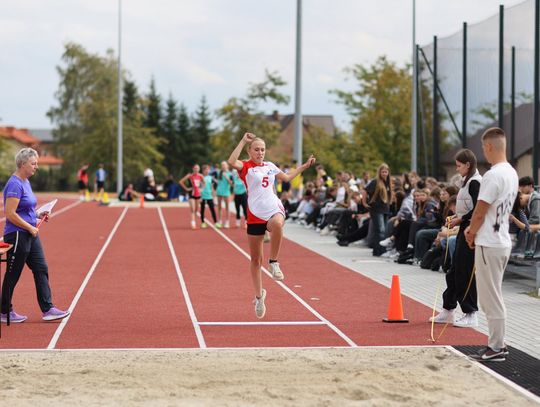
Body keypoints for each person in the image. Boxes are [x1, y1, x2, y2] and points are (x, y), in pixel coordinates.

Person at [228, 132, 315, 319]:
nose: (260, 153)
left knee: (277, 223)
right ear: (250, 151)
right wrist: (243, 141)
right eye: (257, 150)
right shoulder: (246, 167)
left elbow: (287, 178)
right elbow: (231, 161)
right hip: (254, 214)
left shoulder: (270, 166)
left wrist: (304, 167)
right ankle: (259, 297)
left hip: (272, 208)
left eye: (262, 150)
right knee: (255, 260)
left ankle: (274, 262)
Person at [465, 127, 518, 362]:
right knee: (493, 295)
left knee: (490, 298)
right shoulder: (512, 173)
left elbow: (480, 211)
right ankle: (497, 343)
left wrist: (470, 232)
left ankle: (497, 346)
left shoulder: (493, 175)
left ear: (488, 147)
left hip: (489, 241)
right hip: (501, 240)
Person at [0, 148, 70, 323]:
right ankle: (4, 311)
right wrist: (29, 228)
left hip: (30, 233)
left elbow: (26, 209)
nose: (36, 167)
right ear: (23, 164)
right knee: (13, 273)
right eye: (33, 163)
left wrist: (38, 215)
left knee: (41, 268)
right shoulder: (14, 184)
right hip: (17, 235)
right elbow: (10, 214)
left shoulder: (26, 182)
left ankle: (48, 309)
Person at [430, 149, 481, 327]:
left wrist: (461, 218)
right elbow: (467, 209)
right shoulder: (466, 181)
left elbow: (478, 210)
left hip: (471, 231)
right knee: (454, 271)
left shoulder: (475, 182)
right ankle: (448, 308)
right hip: (463, 228)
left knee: (465, 271)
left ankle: (471, 312)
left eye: (459, 166)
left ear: (468, 164)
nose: (457, 169)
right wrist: (457, 217)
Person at [363, 163, 393, 256]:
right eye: (382, 171)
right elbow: (365, 191)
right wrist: (364, 202)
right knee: (380, 230)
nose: (384, 173)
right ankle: (379, 250)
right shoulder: (375, 181)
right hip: (376, 209)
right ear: (379, 172)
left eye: (386, 172)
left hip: (385, 209)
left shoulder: (388, 182)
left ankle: (378, 250)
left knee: (383, 231)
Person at [179, 164, 205, 230]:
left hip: (198, 194)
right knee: (192, 209)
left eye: (197, 168)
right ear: (193, 169)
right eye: (195, 168)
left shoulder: (200, 176)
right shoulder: (189, 176)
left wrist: (201, 189)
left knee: (196, 209)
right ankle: (193, 223)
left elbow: (204, 183)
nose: (196, 169)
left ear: (199, 169)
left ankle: (194, 220)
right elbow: (181, 182)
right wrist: (187, 189)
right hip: (191, 194)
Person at [215, 161, 233, 228]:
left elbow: (231, 184)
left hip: (226, 192)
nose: (223, 166)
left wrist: (226, 177)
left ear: (227, 166)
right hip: (219, 191)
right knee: (219, 207)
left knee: (227, 207)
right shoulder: (219, 173)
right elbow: (216, 179)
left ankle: (227, 222)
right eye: (222, 165)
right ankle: (220, 220)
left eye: (224, 165)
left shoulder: (230, 174)